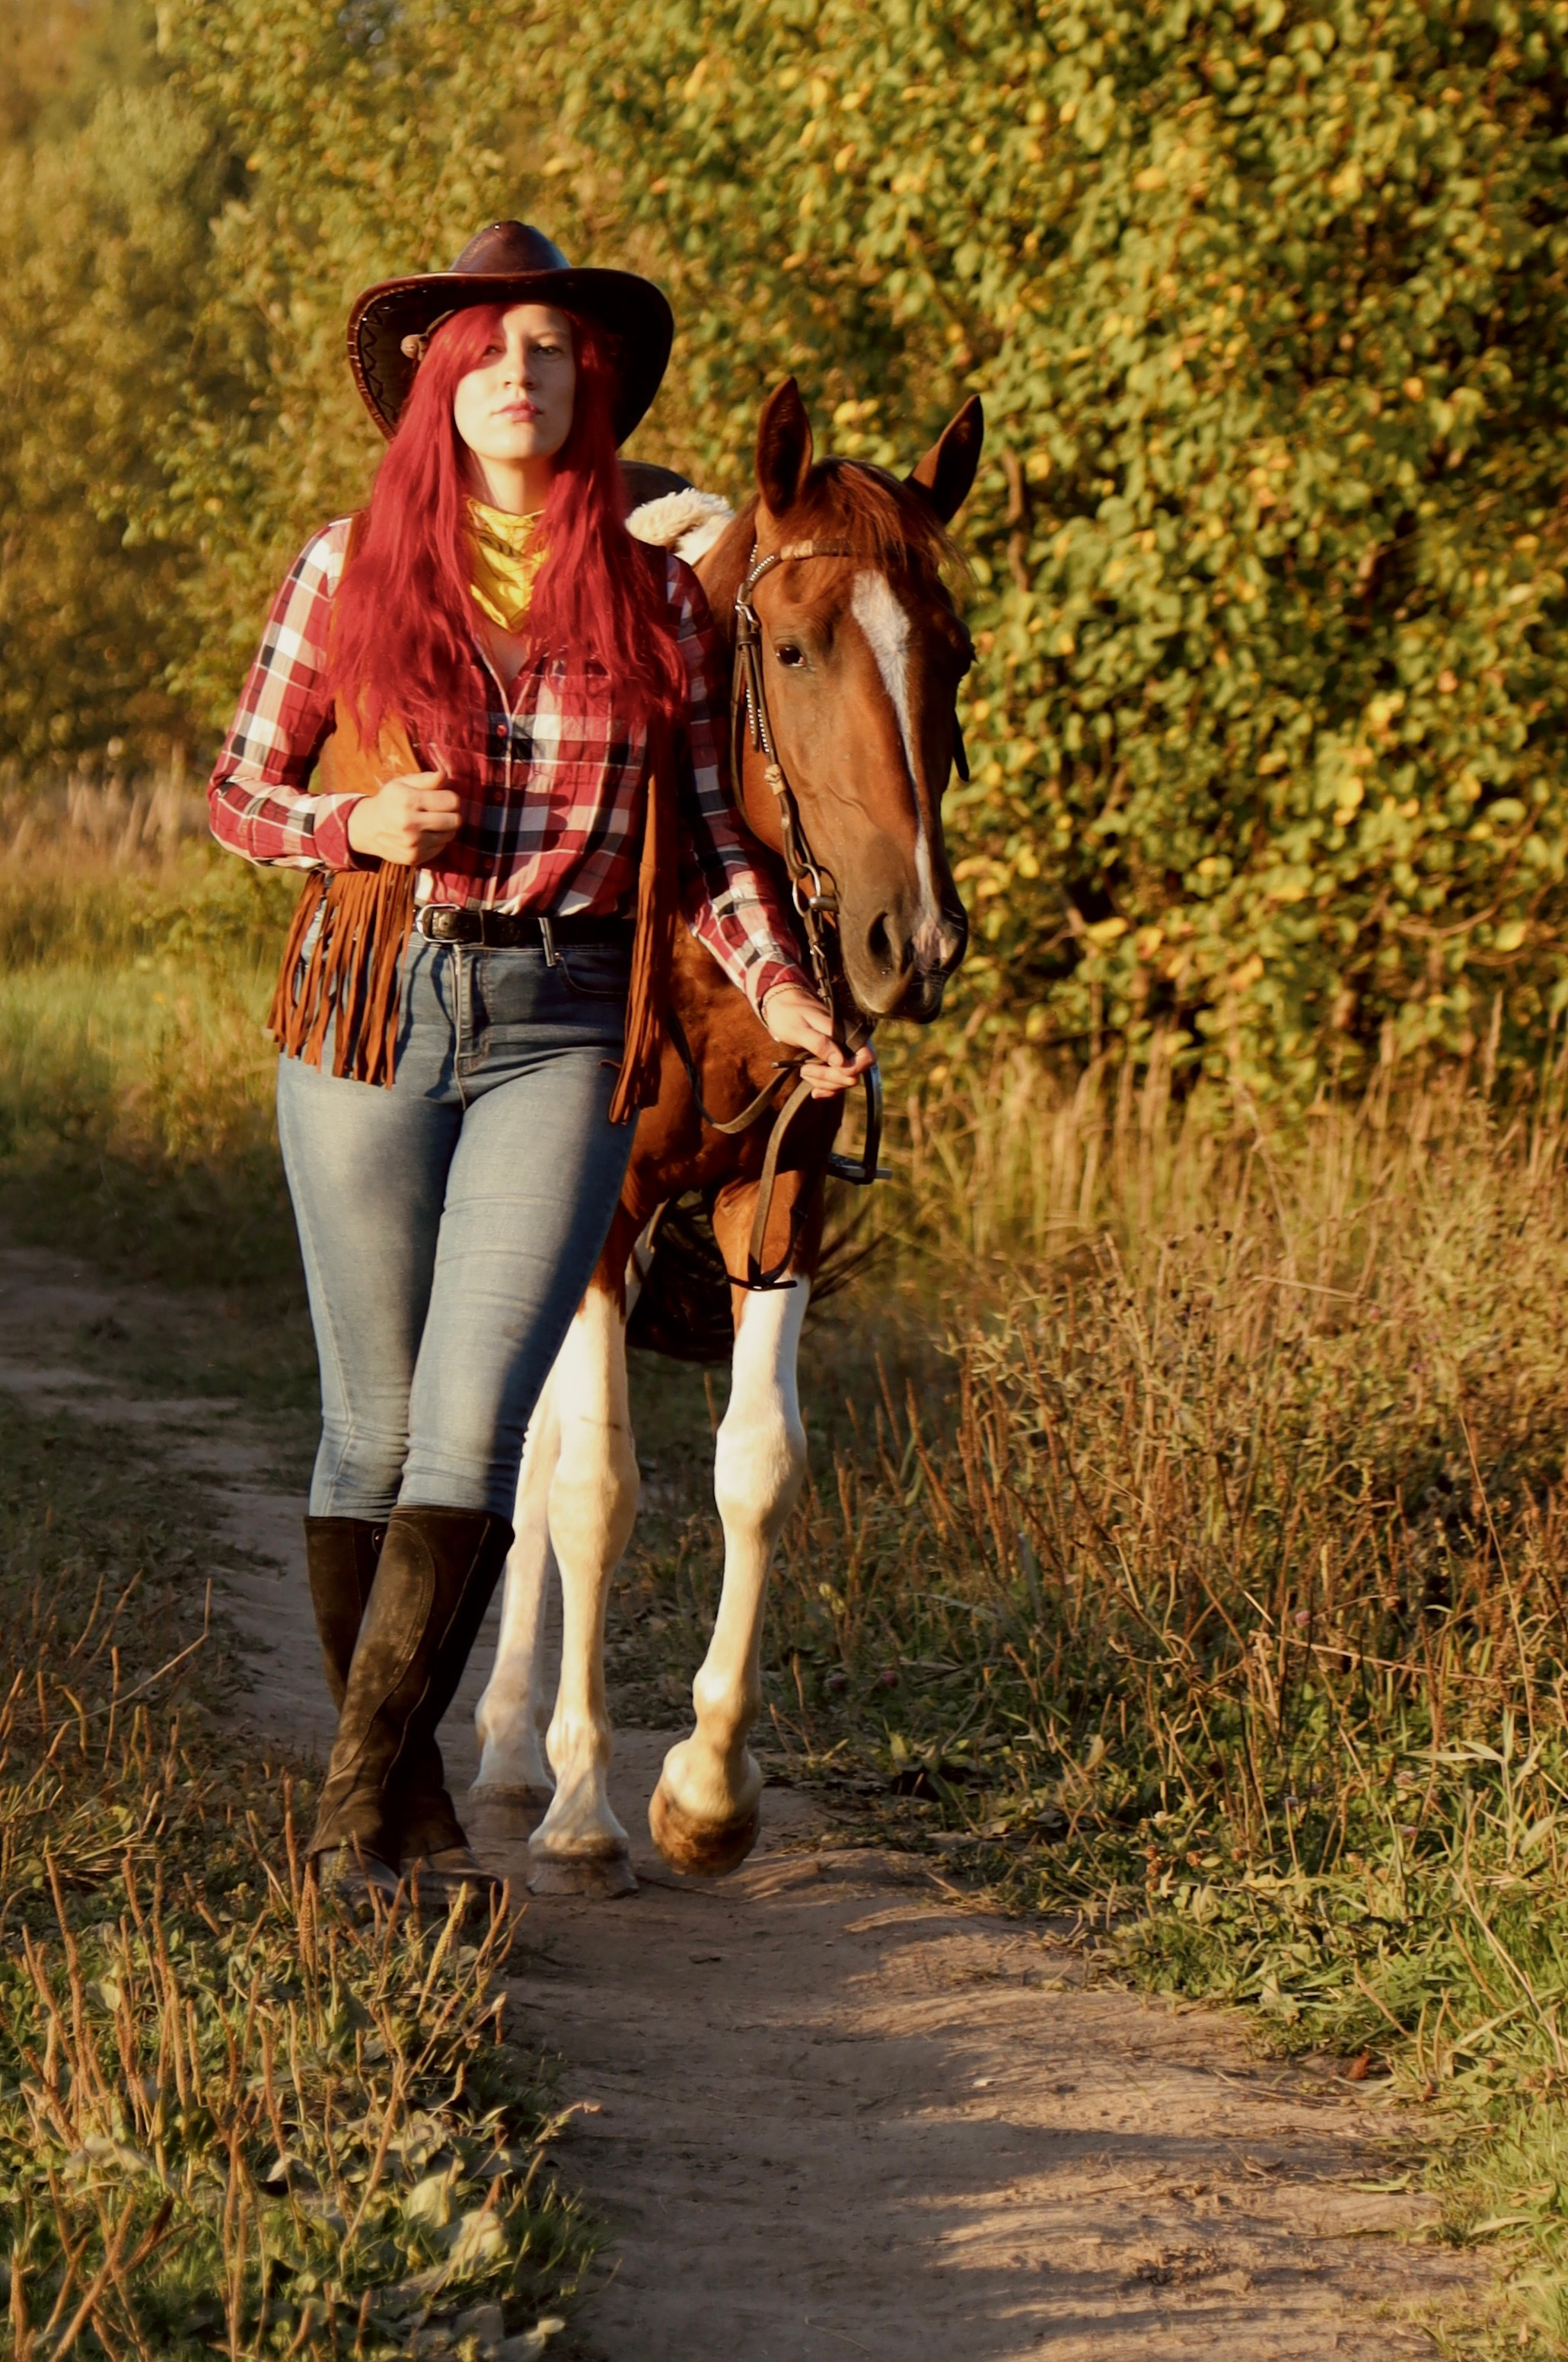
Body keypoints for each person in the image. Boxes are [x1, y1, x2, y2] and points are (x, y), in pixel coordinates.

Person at [209, 221, 872, 1909]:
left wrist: (783, 988)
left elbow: (712, 838)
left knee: (471, 1421)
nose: (520, 369)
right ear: (441, 385)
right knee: (368, 1427)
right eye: (487, 347)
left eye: (553, 350)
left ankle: (355, 1808)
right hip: (367, 1009)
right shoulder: (342, 566)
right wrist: (349, 821)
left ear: (591, 392)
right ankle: (404, 1800)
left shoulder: (652, 594)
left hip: (564, 1023)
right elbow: (235, 797)